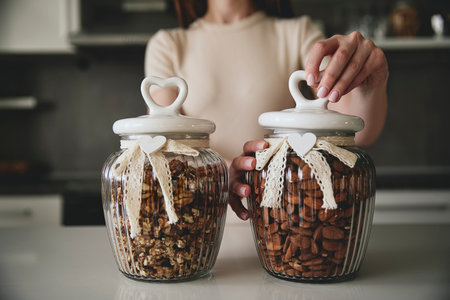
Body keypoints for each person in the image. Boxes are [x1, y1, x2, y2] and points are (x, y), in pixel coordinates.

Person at [145, 0, 388, 221]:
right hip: (199, 226)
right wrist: (222, 172)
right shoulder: (169, 44)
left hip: (285, 225)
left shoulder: (297, 33)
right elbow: (163, 145)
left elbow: (355, 128)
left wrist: (368, 86)